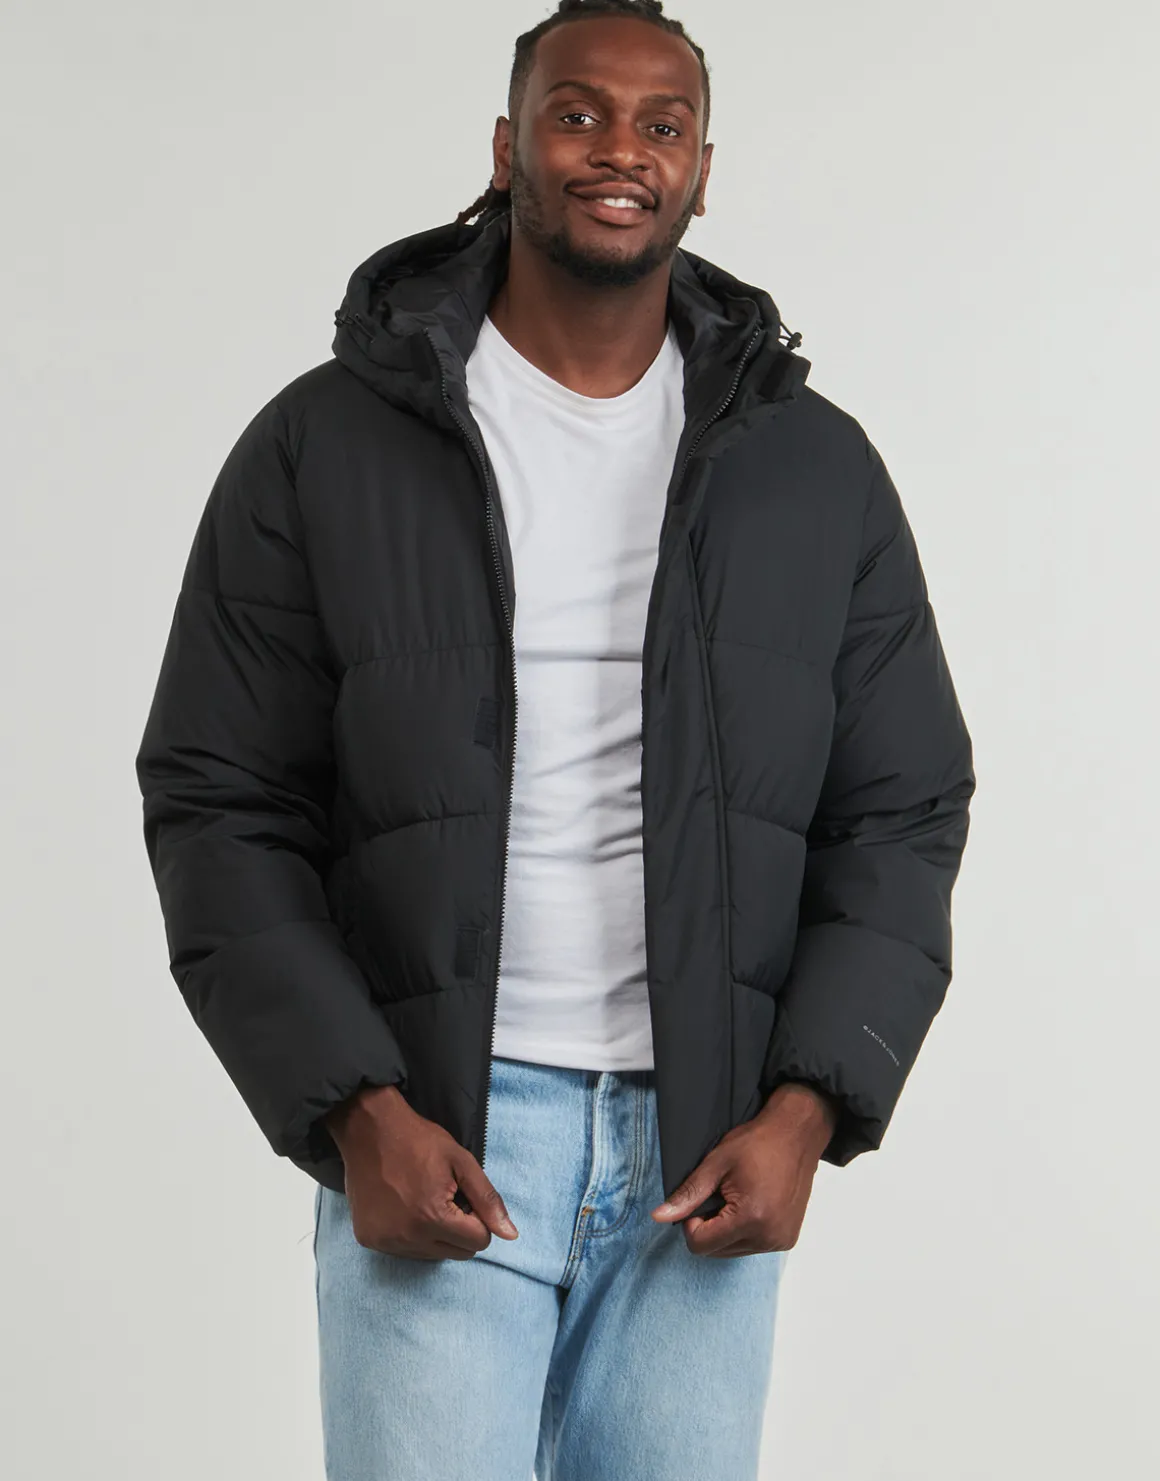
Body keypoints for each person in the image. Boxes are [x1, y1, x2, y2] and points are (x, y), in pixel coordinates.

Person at [134, 2, 975, 1477]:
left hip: (702, 1149)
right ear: (507, 147)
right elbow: (221, 796)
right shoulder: (326, 445)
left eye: (662, 125)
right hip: (445, 1131)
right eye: (578, 113)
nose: (620, 151)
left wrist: (809, 1107)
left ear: (701, 171)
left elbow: (901, 808)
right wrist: (355, 1109)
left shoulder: (813, 468)